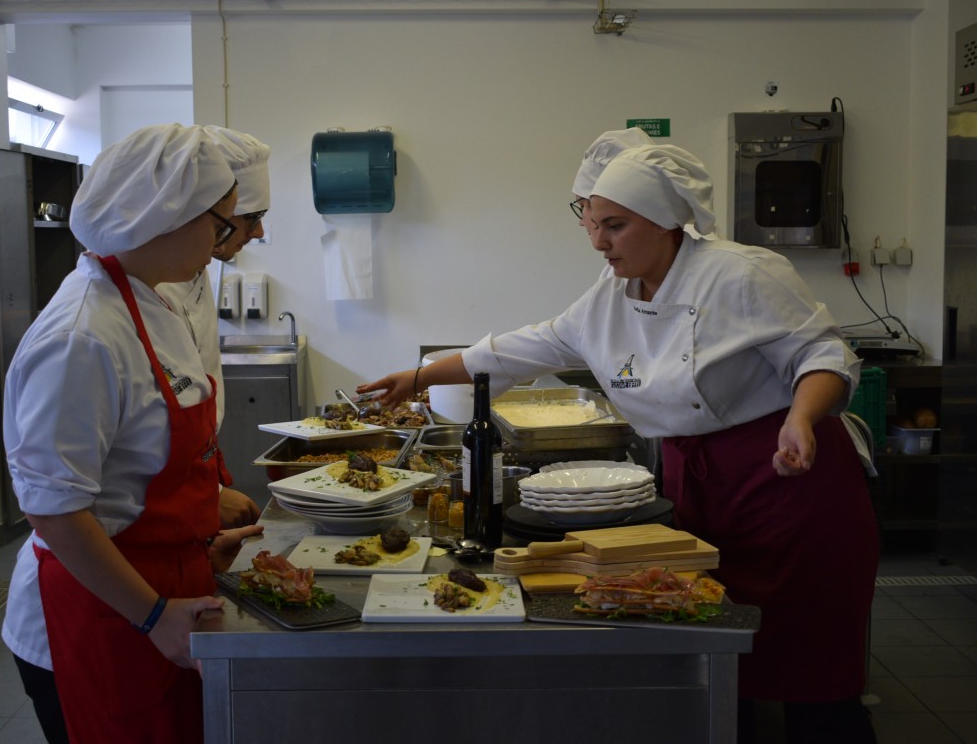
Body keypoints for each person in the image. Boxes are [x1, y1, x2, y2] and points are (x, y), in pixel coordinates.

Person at [358, 139, 879, 744]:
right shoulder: (610, 297)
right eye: (590, 225)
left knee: (814, 672)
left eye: (614, 225)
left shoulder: (742, 273)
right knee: (718, 652)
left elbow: (824, 353)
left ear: (665, 222)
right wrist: (419, 375)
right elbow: (520, 348)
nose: (599, 242)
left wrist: (803, 417)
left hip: (787, 478)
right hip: (704, 489)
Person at [2, 123, 271, 743]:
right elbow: (56, 509)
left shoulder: (153, 303)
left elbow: (136, 476)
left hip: (163, 593)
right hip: (101, 614)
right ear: (167, 217)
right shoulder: (80, 336)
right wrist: (153, 613)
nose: (227, 241)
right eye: (222, 225)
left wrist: (197, 547)